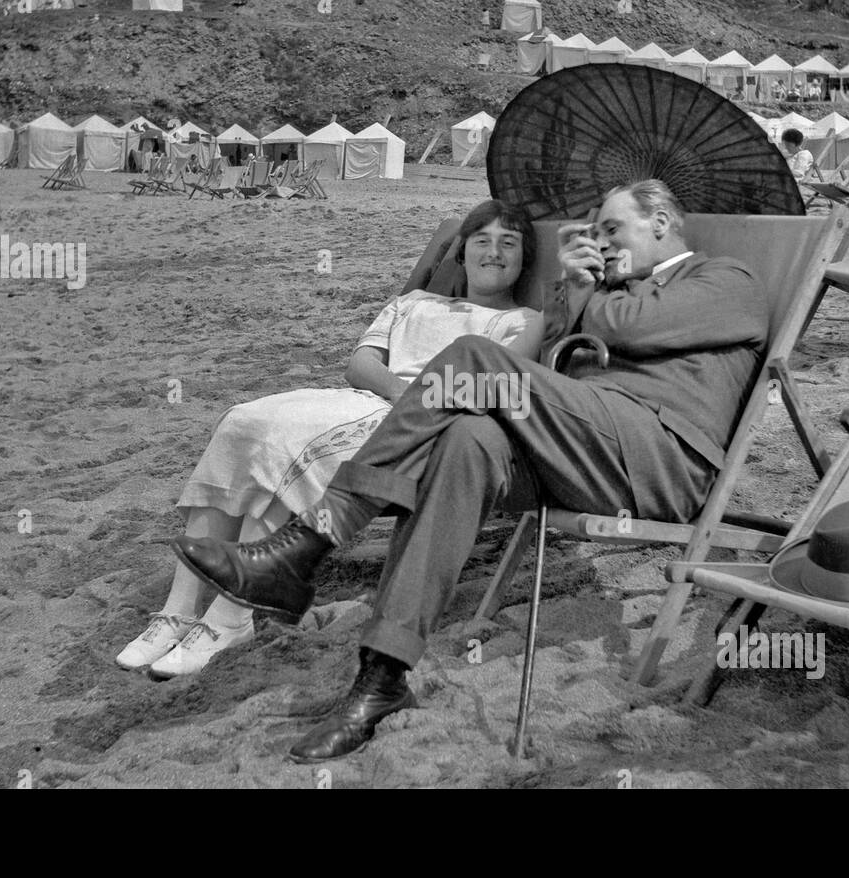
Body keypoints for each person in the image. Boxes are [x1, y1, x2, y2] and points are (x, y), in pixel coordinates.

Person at [173, 179, 764, 762]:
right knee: (466, 439)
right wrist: (573, 295)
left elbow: (628, 327)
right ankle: (381, 677)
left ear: (660, 223)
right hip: (587, 450)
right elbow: (558, 361)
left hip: (659, 459)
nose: (602, 242)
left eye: (613, 229)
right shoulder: (613, 290)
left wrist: (583, 286)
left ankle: (307, 544)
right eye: (595, 233)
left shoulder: (726, 280)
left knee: (472, 357)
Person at [117, 200, 544, 678]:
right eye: (482, 241)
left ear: (524, 259)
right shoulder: (413, 302)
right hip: (371, 396)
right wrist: (403, 390)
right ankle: (178, 609)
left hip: (419, 426)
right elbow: (359, 364)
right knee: (243, 422)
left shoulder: (522, 321)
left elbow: (494, 383)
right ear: (461, 254)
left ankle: (229, 618)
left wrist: (414, 402)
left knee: (285, 446)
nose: (494, 252)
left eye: (509, 243)